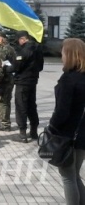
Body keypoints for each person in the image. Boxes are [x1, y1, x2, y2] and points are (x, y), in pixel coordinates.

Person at [48, 38, 85, 205]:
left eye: (63, 52)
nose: (61, 55)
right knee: (74, 174)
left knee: (68, 177)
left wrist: (51, 128)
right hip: (82, 134)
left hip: (68, 136)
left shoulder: (69, 79)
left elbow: (62, 111)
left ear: (69, 54)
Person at [10, 30, 44, 143]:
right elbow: (40, 66)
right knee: (31, 106)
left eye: (19, 40)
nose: (19, 43)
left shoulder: (25, 49)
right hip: (33, 81)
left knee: (21, 107)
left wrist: (7, 67)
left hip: (22, 82)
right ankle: (33, 131)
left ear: (23, 39)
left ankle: (22, 133)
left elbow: (16, 66)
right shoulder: (38, 49)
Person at [0, 31, 16, 131]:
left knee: (0, 102)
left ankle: (5, 124)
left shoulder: (3, 50)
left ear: (1, 39)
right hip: (9, 80)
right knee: (6, 101)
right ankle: (6, 123)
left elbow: (0, 69)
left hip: (3, 81)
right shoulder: (9, 48)